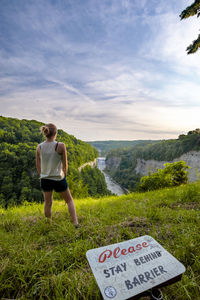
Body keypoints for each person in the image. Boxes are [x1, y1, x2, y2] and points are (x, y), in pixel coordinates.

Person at [36, 123, 78, 227]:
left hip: (45, 179)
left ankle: (48, 225)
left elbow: (38, 165)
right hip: (58, 178)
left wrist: (43, 176)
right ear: (55, 133)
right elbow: (65, 165)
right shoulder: (60, 145)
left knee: (48, 203)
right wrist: (65, 176)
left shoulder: (39, 147)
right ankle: (75, 223)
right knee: (69, 200)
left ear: (46, 133)